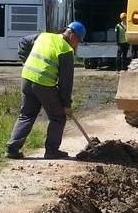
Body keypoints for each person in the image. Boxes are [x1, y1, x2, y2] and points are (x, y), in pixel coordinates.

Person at [6, 22, 85, 159]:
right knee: (58, 117)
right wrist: (66, 105)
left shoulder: (44, 36)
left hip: (27, 78)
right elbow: (66, 82)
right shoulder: (66, 50)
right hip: (43, 84)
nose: (77, 44)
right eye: (78, 40)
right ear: (72, 34)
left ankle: (12, 149)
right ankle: (52, 151)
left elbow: (23, 42)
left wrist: (26, 61)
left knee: (27, 114)